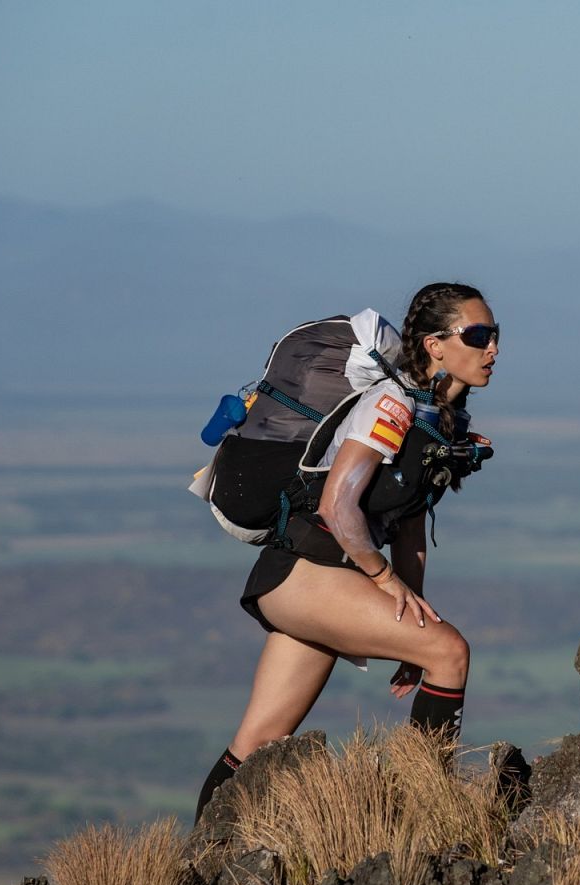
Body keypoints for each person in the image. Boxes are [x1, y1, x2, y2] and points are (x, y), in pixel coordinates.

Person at [194, 282, 499, 821]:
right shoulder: (392, 404)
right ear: (434, 345)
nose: (492, 348)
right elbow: (337, 506)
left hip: (315, 580)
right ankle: (430, 814)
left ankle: (196, 863)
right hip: (310, 571)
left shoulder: (435, 421)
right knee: (449, 653)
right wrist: (386, 585)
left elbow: (407, 532)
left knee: (259, 741)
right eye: (477, 335)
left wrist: (411, 621)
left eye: (494, 335)